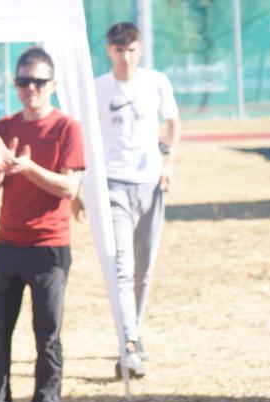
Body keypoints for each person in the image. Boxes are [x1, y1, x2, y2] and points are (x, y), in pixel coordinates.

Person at [0, 47, 84, 402]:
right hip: (7, 247)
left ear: (53, 85)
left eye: (38, 81)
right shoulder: (3, 127)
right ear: (15, 84)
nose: (30, 88)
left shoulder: (67, 128)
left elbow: (69, 186)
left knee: (47, 338)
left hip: (50, 248)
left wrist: (30, 168)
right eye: (23, 81)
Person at [93, 22, 181, 378]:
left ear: (140, 50)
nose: (125, 57)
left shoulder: (156, 82)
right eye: (118, 50)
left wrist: (168, 162)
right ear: (108, 50)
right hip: (114, 184)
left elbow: (173, 121)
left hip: (149, 184)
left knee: (144, 269)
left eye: (130, 50)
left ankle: (135, 330)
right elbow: (87, 137)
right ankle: (127, 344)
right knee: (122, 267)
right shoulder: (97, 88)